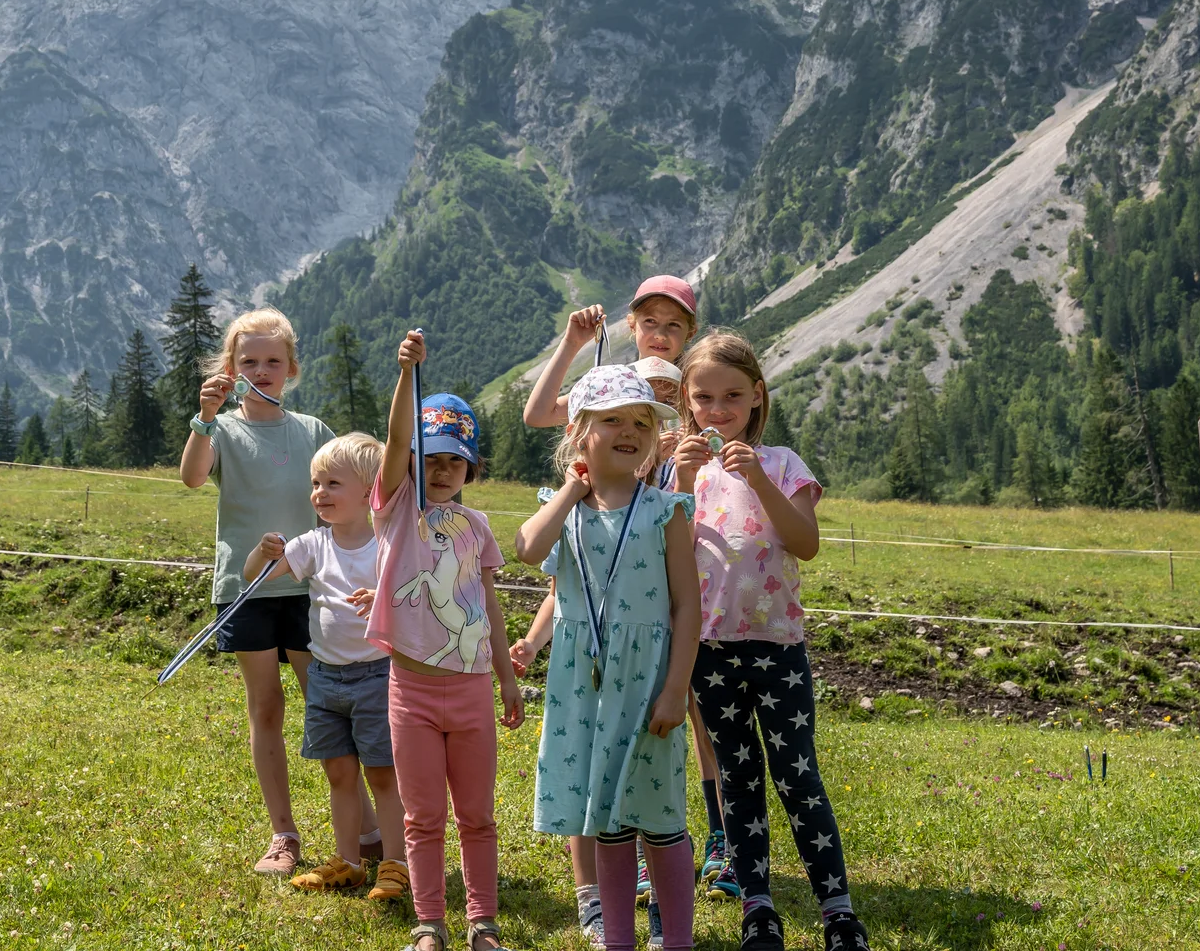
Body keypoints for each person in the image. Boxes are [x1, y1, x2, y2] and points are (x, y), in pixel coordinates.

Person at [673, 331, 871, 951]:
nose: (718, 410)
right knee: (737, 778)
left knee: (797, 774)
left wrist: (760, 480)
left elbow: (805, 543)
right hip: (708, 650)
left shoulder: (783, 463)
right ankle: (757, 907)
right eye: (704, 398)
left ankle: (838, 910)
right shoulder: (682, 470)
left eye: (732, 395)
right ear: (687, 400)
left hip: (777, 647)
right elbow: (666, 555)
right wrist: (676, 485)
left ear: (758, 396)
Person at [180, 307, 378, 876]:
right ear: (230, 368)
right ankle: (283, 835)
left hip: (313, 587)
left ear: (291, 368)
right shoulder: (219, 429)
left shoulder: (313, 431)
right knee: (265, 706)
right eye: (249, 361)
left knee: (330, 702)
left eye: (273, 361)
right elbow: (194, 477)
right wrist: (203, 417)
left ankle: (365, 827)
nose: (261, 370)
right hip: (246, 589)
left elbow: (357, 487)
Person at [516, 365, 700, 951]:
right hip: (583, 686)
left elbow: (687, 609)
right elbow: (526, 550)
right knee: (606, 815)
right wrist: (572, 486)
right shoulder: (564, 508)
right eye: (613, 420)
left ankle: (677, 940)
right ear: (578, 433)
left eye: (642, 422)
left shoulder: (665, 510)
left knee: (661, 813)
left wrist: (676, 689)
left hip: (646, 683)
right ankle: (617, 937)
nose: (630, 431)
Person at [367, 330, 524, 951]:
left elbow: (488, 603)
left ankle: (482, 924)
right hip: (410, 690)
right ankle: (429, 923)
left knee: (478, 817)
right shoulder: (395, 506)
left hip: (472, 689)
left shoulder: (479, 526)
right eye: (431, 458)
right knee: (422, 817)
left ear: (471, 467)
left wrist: (508, 678)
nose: (440, 468)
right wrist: (408, 373)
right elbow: (397, 440)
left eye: (454, 459)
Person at [244, 432, 409, 904]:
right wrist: (263, 553)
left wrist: (384, 600)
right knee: (339, 772)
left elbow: (414, 598)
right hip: (326, 678)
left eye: (332, 483)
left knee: (383, 774)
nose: (319, 493)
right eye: (315, 483)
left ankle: (395, 863)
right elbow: (253, 581)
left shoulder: (387, 544)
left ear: (369, 491)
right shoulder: (313, 543)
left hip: (378, 674)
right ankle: (350, 861)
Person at [521, 275, 698, 430]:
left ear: (690, 333)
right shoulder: (614, 383)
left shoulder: (701, 387)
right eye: (650, 321)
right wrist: (571, 343)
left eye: (674, 324)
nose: (660, 335)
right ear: (632, 325)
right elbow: (538, 415)